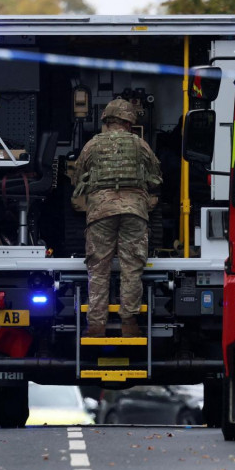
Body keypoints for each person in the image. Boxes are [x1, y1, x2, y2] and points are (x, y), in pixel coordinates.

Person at [72, 98, 162, 337]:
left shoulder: (92, 145)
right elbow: (156, 178)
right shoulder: (140, 144)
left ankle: (96, 326)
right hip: (134, 212)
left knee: (98, 269)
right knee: (132, 268)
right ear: (129, 121)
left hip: (101, 212)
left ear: (107, 120)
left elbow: (77, 177)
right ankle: (129, 324)